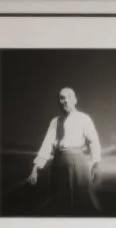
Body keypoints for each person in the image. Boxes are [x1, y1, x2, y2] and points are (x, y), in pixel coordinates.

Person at [25, 87, 103, 215]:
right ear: (59, 102)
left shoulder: (84, 119)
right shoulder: (55, 122)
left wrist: (96, 164)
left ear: (75, 100)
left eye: (69, 97)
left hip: (79, 164)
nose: (65, 101)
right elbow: (46, 145)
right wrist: (35, 169)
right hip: (58, 164)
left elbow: (94, 142)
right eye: (62, 98)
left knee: (81, 201)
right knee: (59, 202)